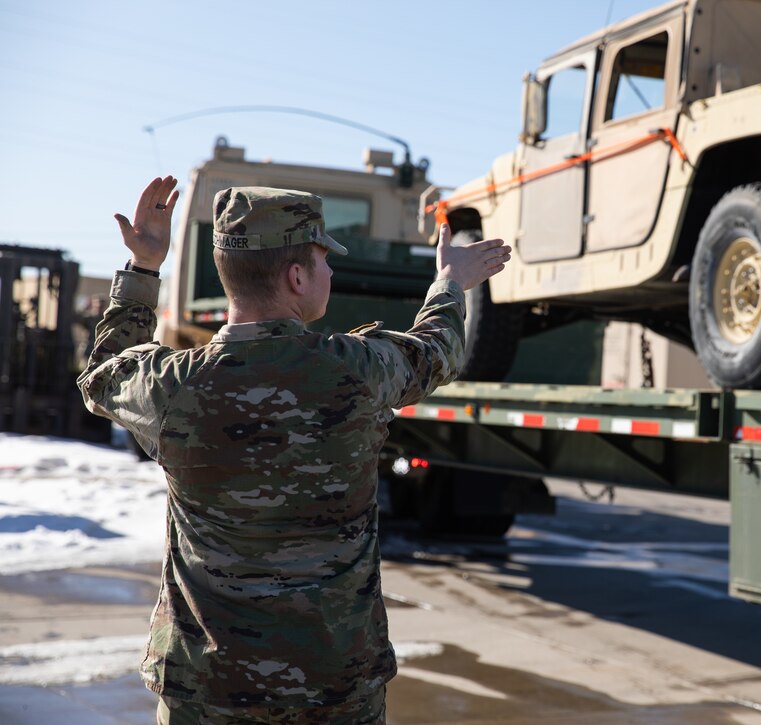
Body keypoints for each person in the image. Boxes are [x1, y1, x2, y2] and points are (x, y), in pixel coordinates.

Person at [77, 176, 511, 724]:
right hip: (336, 691)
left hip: (207, 692)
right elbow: (437, 350)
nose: (331, 271)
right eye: (324, 259)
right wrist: (449, 281)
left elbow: (100, 375)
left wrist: (143, 268)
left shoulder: (171, 387)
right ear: (297, 276)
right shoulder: (358, 370)